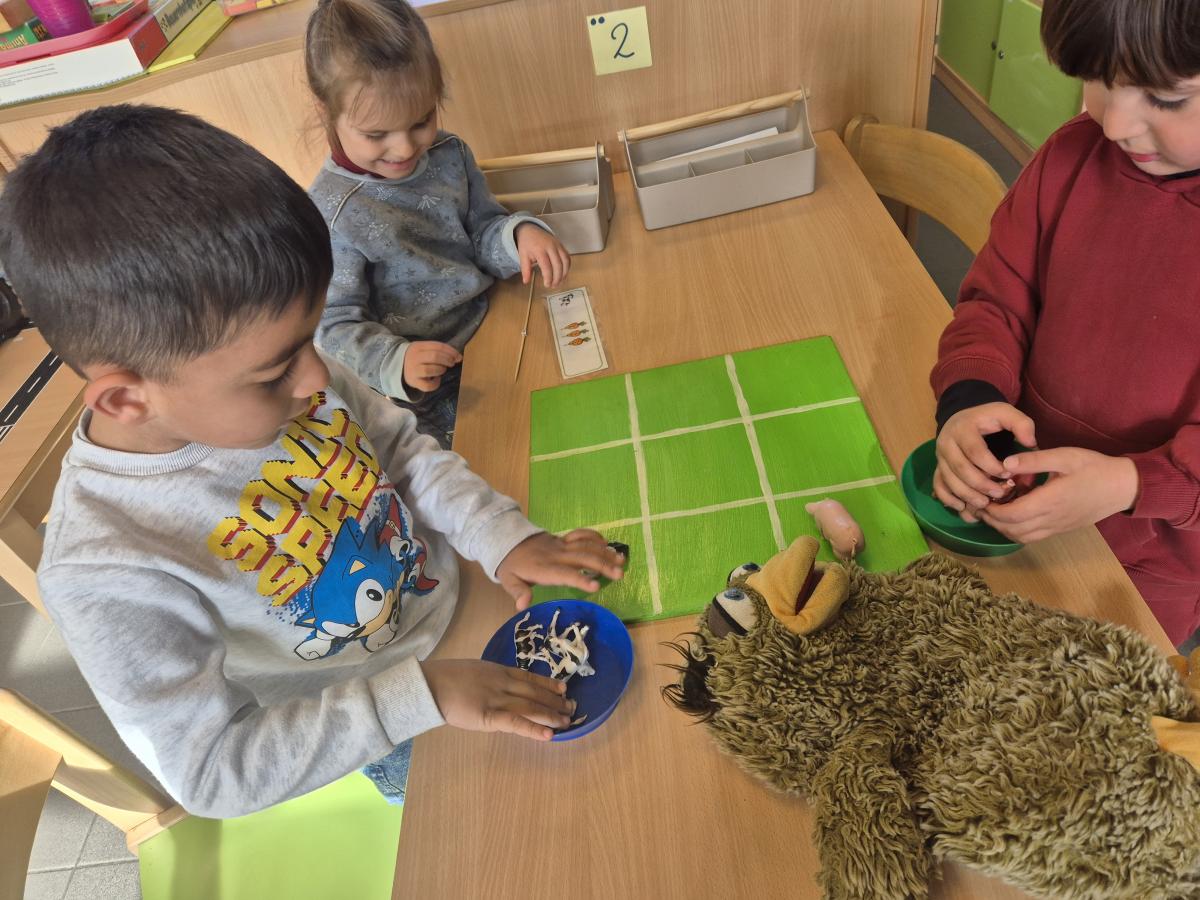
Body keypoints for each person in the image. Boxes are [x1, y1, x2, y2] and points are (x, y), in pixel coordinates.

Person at [0, 105, 623, 816]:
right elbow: (212, 773)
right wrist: (425, 694)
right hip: (386, 727)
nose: (319, 377)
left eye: (310, 338)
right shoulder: (102, 566)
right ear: (126, 400)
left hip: (463, 611)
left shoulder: (278, 364)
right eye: (275, 371)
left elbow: (401, 451)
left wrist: (498, 535)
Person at [930, 0, 1200, 645]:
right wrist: (970, 398)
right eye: (1099, 79)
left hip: (1151, 562)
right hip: (1014, 497)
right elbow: (996, 300)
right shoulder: (1072, 154)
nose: (1115, 124)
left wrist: (1131, 482)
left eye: (1165, 97)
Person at [305, 0, 571, 448]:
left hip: (496, 327)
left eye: (421, 120)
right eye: (376, 135)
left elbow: (482, 230)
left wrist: (518, 235)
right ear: (325, 110)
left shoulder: (449, 154)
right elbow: (333, 326)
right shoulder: (330, 212)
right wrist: (397, 360)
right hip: (424, 392)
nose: (405, 148)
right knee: (496, 457)